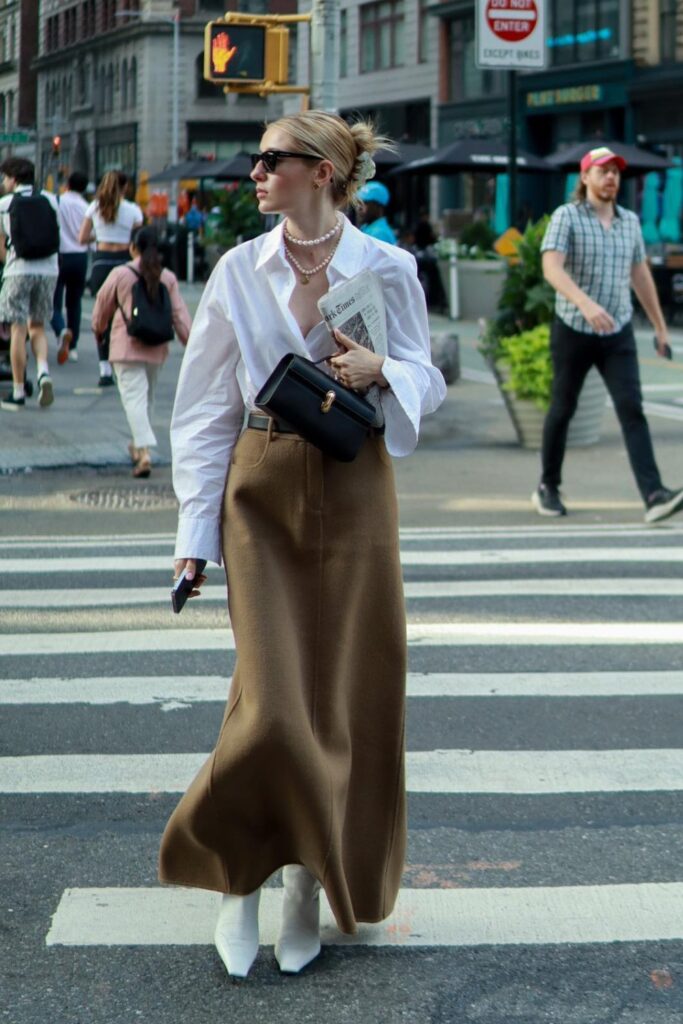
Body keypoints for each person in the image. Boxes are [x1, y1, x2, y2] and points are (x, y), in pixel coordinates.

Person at [158, 110, 446, 978]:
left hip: (356, 484)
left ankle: (305, 889)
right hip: (262, 484)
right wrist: (191, 535)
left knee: (347, 697)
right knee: (273, 706)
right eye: (258, 160)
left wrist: (380, 371)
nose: (255, 172)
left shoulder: (386, 266)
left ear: (320, 172)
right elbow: (203, 409)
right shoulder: (238, 271)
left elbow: (425, 380)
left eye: (272, 160)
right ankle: (240, 880)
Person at [533, 145, 683, 525]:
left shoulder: (629, 222)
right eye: (603, 171)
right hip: (573, 329)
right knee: (563, 408)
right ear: (585, 178)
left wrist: (661, 326)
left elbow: (640, 275)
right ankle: (548, 487)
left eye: (616, 171)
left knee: (632, 409)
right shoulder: (567, 217)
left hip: (618, 332)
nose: (611, 177)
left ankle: (654, 495)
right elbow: (552, 268)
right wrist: (585, 304)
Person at [91, 226, 191, 477]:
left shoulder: (120, 274)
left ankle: (144, 452)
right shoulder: (167, 277)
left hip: (126, 347)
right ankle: (138, 445)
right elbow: (179, 315)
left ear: (133, 247)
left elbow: (101, 307)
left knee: (134, 400)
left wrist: (99, 329)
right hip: (156, 348)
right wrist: (190, 342)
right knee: (147, 399)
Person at [0, 156, 58, 411]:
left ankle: (18, 390)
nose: (3, 182)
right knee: (38, 327)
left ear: (13, 178)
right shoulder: (50, 200)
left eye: (5, 177)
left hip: (18, 270)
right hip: (48, 270)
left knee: (18, 330)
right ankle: (43, 371)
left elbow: (1, 247)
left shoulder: (4, 204)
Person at [78, 170, 143, 387]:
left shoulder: (95, 207)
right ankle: (122, 361)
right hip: (124, 262)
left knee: (102, 315)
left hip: (101, 262)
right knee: (125, 315)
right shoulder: (133, 210)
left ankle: (104, 368)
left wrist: (101, 233)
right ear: (124, 187)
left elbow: (82, 238)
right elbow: (138, 242)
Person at [50, 170, 89, 364]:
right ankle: (73, 347)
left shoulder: (57, 201)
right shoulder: (86, 206)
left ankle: (61, 330)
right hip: (80, 257)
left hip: (59, 256)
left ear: (67, 184)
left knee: (54, 301)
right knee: (74, 303)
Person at [356, 180, 398, 244]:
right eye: (358, 203)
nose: (359, 208)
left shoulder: (380, 234)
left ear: (379, 207)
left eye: (365, 203)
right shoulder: (368, 228)